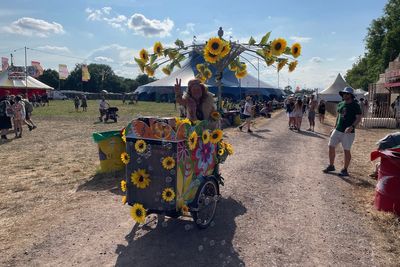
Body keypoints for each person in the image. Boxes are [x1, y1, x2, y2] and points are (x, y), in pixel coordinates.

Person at [323, 87, 362, 176]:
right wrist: (334, 127)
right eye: (344, 93)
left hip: (348, 132)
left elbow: (359, 118)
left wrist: (352, 126)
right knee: (331, 146)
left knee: (346, 150)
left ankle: (345, 169)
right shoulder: (340, 104)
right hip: (338, 129)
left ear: (351, 95)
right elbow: (339, 116)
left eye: (347, 94)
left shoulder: (355, 105)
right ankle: (331, 165)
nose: (345, 95)